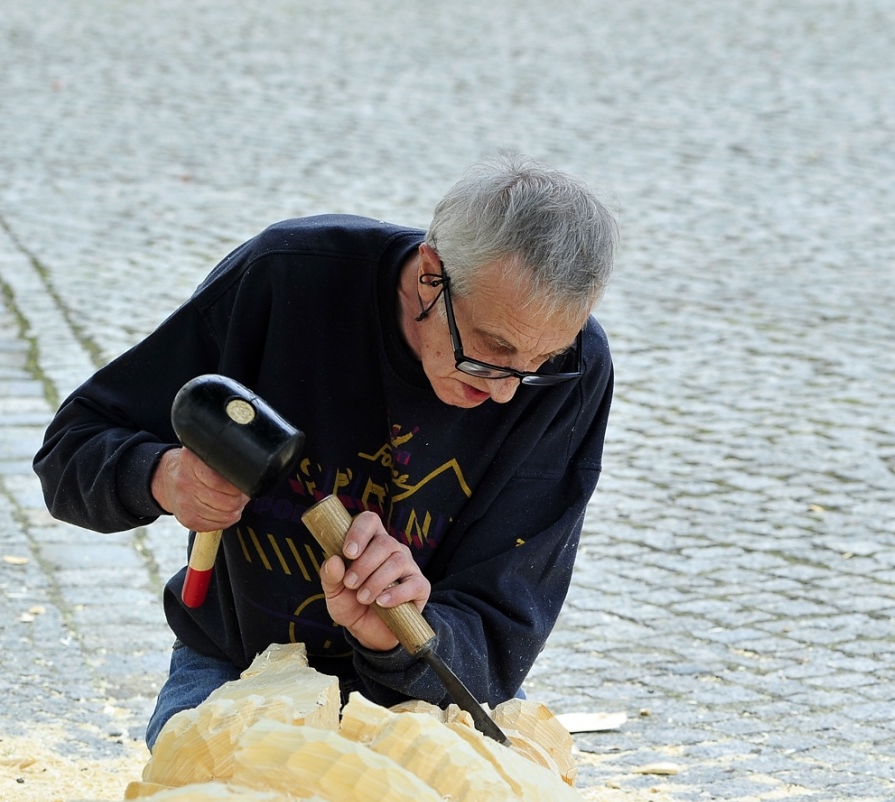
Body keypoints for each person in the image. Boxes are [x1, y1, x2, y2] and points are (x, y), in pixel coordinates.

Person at [34, 153, 618, 747]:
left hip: (430, 704)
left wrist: (398, 633)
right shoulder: (288, 276)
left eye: (537, 364)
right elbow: (70, 451)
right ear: (429, 275)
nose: (503, 391)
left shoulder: (574, 370)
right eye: (489, 349)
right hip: (242, 673)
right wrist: (161, 476)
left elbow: (502, 628)